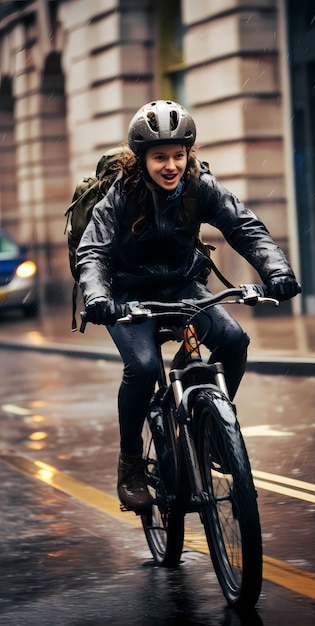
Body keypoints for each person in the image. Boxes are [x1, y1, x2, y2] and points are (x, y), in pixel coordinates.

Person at [76, 100, 300, 512]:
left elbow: (244, 226)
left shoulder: (200, 185)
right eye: (160, 156)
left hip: (183, 285)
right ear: (140, 159)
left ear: (188, 154)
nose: (171, 165)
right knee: (142, 368)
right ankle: (130, 463)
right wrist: (98, 298)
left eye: (178, 155)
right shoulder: (120, 195)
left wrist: (277, 271)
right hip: (127, 295)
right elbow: (93, 252)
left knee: (233, 339)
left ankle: (214, 430)